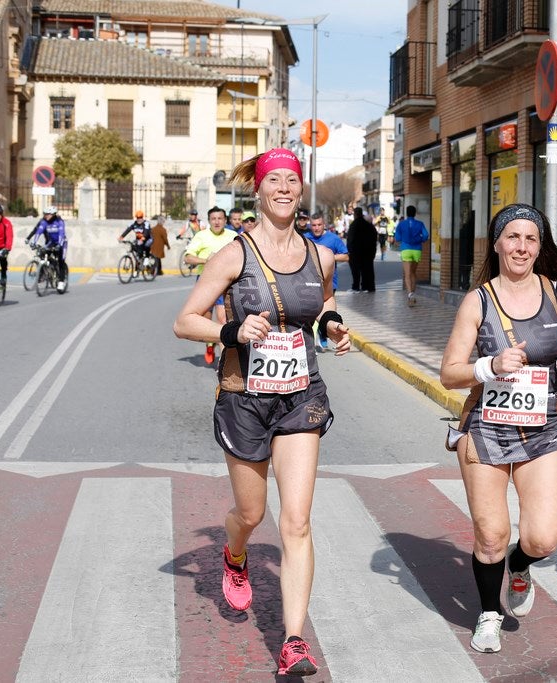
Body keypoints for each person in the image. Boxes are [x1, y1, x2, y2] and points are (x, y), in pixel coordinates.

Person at [173, 148, 350, 677]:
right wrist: (232, 331)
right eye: (274, 181)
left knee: (295, 521)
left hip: (300, 394)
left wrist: (333, 326)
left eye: (291, 182)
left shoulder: (319, 255)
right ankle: (235, 553)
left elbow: (320, 304)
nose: (284, 190)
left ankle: (293, 640)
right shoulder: (234, 254)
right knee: (251, 514)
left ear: (300, 190)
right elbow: (185, 321)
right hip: (244, 397)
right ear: (260, 189)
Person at [439, 203, 557, 654]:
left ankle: (518, 568)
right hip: (486, 427)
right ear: (497, 242)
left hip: (543, 427)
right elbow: (449, 372)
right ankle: (488, 613)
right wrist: (489, 365)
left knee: (543, 537)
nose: (522, 247)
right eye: (513, 237)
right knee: (491, 533)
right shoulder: (477, 300)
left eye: (531, 239)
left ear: (541, 246)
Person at [184, 206, 238, 364]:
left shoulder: (232, 236)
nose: (217, 222)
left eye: (220, 218)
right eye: (213, 219)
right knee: (206, 319)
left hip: (225, 281)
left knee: (223, 319)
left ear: (225, 220)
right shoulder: (201, 236)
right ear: (209, 221)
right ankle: (209, 344)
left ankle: (224, 361)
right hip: (205, 281)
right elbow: (188, 258)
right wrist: (206, 260)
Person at [305, 212, 349, 352]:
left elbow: (345, 257)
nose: (316, 228)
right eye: (313, 225)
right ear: (310, 225)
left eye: (319, 225)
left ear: (324, 225)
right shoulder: (305, 239)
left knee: (324, 310)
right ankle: (309, 340)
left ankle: (323, 338)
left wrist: (327, 258)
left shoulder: (333, 239)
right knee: (310, 313)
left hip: (329, 283)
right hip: (307, 283)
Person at [392, 205, 430, 308]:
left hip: (405, 249)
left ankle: (410, 295)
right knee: (413, 273)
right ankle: (413, 293)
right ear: (415, 213)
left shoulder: (401, 224)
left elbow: (398, 237)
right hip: (417, 250)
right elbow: (426, 235)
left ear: (406, 212)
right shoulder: (420, 224)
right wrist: (420, 240)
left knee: (407, 274)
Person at [30, 206, 69, 292]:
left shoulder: (59, 222)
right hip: (51, 242)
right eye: (45, 214)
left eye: (48, 214)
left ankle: (61, 281)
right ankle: (45, 273)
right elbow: (38, 232)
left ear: (53, 214)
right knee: (43, 252)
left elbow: (61, 234)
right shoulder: (44, 222)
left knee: (61, 261)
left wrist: (59, 245)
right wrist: (34, 242)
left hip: (62, 242)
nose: (46, 216)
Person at [345, 206, 377, 292]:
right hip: (368, 252)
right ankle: (368, 286)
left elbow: (350, 239)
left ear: (355, 214)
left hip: (356, 252)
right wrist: (373, 251)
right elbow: (374, 238)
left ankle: (356, 286)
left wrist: (349, 251)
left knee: (356, 271)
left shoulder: (354, 225)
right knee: (368, 270)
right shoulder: (369, 226)